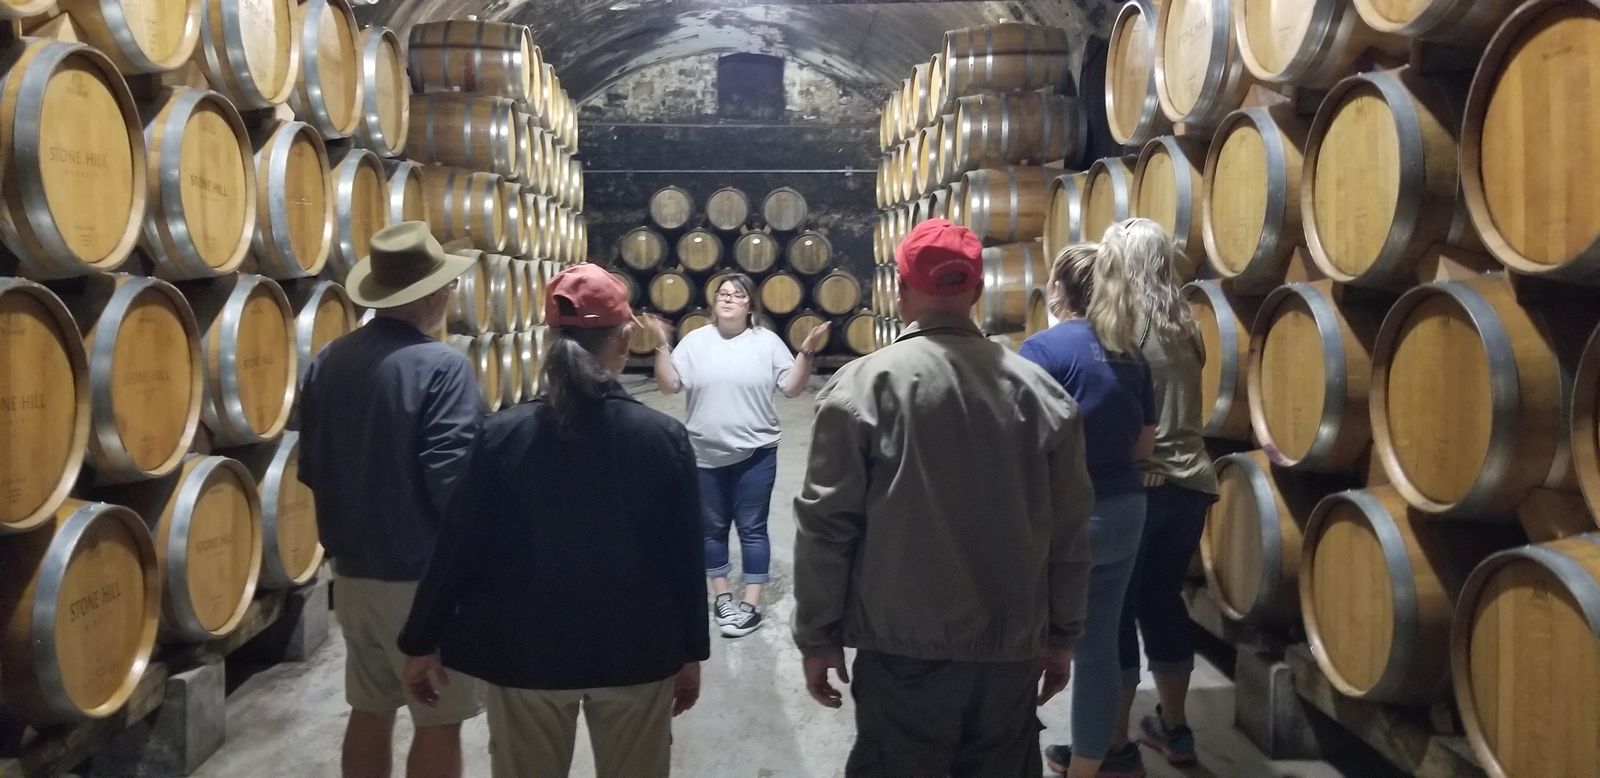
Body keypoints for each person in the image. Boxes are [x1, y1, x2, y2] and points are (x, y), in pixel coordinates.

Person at [793, 218, 1094, 777]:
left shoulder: (860, 388)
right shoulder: (1044, 396)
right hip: (1009, 649)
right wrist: (1063, 635)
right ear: (977, 291)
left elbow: (826, 527)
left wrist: (817, 635)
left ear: (901, 292)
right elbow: (1070, 533)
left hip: (901, 649)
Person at [398, 263, 710, 778]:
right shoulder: (661, 438)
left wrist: (420, 640)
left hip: (526, 656)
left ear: (548, 341)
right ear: (624, 339)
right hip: (635, 651)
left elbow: (457, 546)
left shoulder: (502, 436)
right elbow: (685, 555)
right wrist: (691, 650)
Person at [297, 221, 485, 778]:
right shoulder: (442, 367)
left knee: (370, 708)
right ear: (429, 294)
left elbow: (312, 469)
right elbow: (454, 484)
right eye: (448, 286)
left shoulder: (328, 360)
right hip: (421, 581)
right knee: (438, 719)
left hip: (352, 573)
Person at [1022, 240, 1157, 778]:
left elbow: (1020, 444)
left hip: (1062, 516)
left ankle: (1009, 755)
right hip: (1124, 510)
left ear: (1058, 288)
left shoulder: (1043, 350)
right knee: (1098, 648)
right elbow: (1144, 448)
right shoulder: (1132, 354)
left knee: (1025, 640)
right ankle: (1084, 768)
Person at [648, 273, 828, 638]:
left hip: (756, 452)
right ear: (714, 302)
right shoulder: (696, 341)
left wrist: (807, 352)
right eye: (723, 293)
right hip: (703, 453)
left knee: (752, 528)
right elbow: (669, 385)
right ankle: (723, 599)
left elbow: (792, 388)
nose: (728, 298)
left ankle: (750, 604)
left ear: (750, 305)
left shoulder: (766, 342)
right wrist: (661, 345)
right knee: (712, 530)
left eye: (737, 294)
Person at [1108, 219, 1220, 771]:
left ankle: (1112, 742)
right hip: (1191, 484)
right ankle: (1176, 729)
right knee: (1162, 601)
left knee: (1118, 610)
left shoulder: (1125, 324)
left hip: (1145, 485)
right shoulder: (1185, 321)